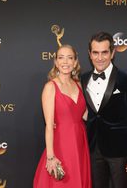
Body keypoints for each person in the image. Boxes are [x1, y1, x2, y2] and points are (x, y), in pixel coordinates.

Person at [81, 32, 127, 188]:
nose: (100, 57)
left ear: (113, 52)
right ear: (89, 54)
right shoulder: (83, 79)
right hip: (93, 148)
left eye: (104, 52)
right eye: (95, 52)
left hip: (120, 150)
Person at [33, 44, 91, 188]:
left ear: (75, 62)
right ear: (56, 62)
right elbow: (49, 126)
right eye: (61, 58)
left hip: (80, 142)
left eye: (69, 58)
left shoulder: (79, 85)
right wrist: (51, 157)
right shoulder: (50, 87)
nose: (65, 62)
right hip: (61, 143)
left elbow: (85, 115)